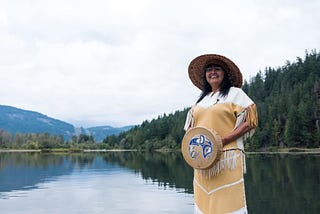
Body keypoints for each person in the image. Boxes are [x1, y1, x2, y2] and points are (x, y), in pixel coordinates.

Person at [184, 54, 258, 214]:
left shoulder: (235, 93)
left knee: (228, 202)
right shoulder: (200, 101)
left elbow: (250, 120)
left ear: (225, 73)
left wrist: (223, 140)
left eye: (217, 69)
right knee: (204, 200)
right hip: (203, 160)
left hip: (227, 158)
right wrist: (191, 150)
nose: (212, 72)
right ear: (205, 75)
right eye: (209, 70)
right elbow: (190, 129)